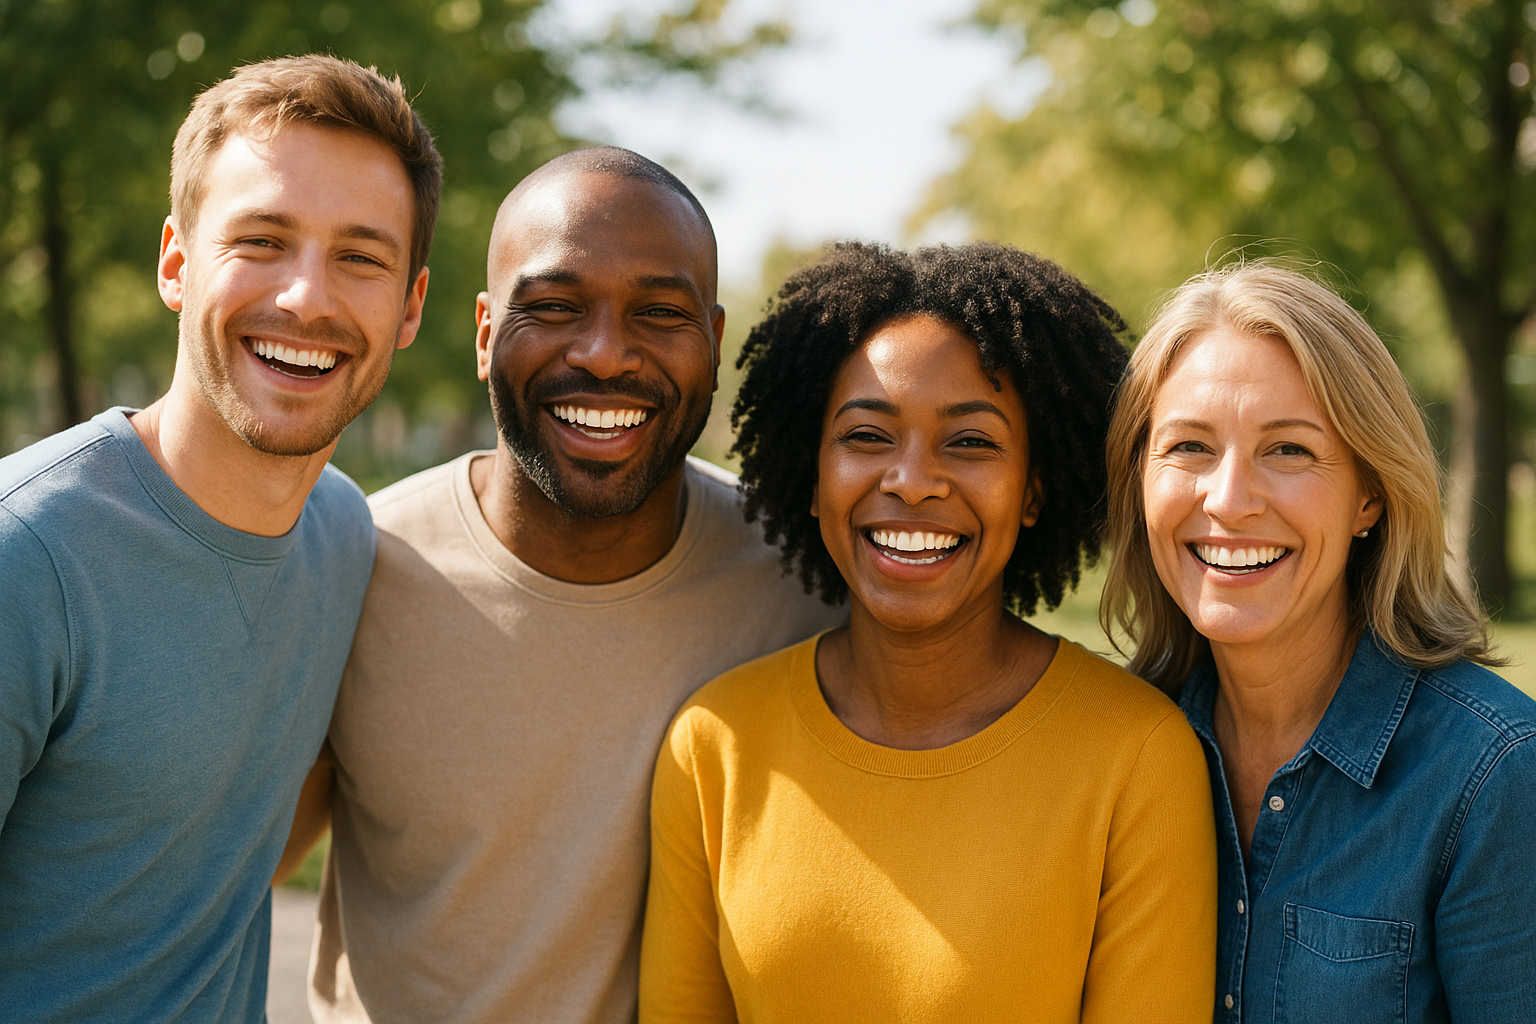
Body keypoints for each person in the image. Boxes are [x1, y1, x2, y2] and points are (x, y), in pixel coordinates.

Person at [280, 147, 842, 1024]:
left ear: (715, 343)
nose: (607, 354)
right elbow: (228, 870)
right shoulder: (353, 566)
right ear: (482, 333)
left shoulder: (806, 592)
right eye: (552, 307)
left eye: (659, 312)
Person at [639, 242, 1218, 1023]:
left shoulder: (1137, 757)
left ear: (1034, 491)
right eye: (867, 437)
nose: (911, 480)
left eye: (971, 442)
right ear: (813, 478)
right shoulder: (714, 748)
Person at [0, 55, 439, 1022]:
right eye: (263, 240)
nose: (305, 298)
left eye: (362, 257)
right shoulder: (25, 556)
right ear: (176, 260)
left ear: (409, 307)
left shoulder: (341, 537)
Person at [1100, 262, 1536, 1024]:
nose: (1229, 500)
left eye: (1289, 450)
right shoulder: (1116, 753)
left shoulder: (1493, 775)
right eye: (1190, 447)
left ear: (1370, 493)